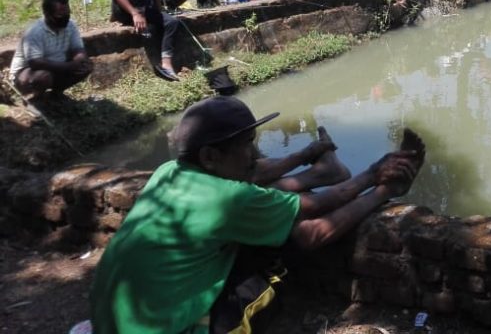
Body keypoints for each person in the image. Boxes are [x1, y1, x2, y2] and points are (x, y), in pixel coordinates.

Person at [89, 95, 424, 334]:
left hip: (110, 321)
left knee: (265, 200)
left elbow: (252, 175)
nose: (253, 153)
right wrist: (377, 180)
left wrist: (308, 155)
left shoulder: (168, 171)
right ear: (209, 156)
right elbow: (318, 211)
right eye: (247, 145)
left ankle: (324, 171)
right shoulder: (229, 200)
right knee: (284, 246)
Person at [9, 0, 92, 101]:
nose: (65, 18)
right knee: (43, 77)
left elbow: (78, 49)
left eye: (67, 13)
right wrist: (69, 66)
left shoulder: (70, 25)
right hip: (25, 74)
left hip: (57, 67)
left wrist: (80, 60)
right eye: (60, 15)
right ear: (47, 14)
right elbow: (36, 63)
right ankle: (35, 99)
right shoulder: (35, 32)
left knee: (86, 66)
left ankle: (55, 95)